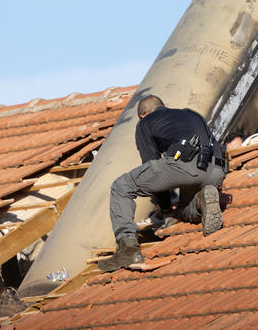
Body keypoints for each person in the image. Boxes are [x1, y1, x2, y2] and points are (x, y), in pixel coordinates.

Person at [98, 95, 228, 272]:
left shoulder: (144, 123)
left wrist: (166, 208)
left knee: (121, 187)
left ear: (143, 115)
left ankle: (128, 251)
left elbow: (151, 165)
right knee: (185, 210)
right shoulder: (191, 114)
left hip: (184, 165)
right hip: (216, 170)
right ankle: (201, 201)